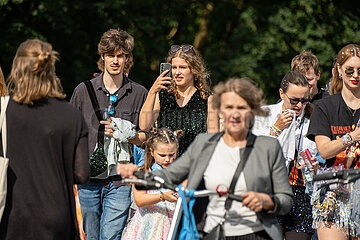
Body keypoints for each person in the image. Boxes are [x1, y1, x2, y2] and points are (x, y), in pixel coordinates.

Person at [119, 77, 293, 239]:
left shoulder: (268, 147)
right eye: (229, 107)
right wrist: (138, 176)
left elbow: (286, 200)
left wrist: (268, 201)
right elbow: (169, 176)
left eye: (241, 107)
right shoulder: (205, 143)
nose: (235, 114)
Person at [0, 39, 90, 239]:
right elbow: (82, 175)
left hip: (11, 216)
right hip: (56, 215)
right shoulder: (72, 115)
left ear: (16, 69)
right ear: (51, 70)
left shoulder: (3, 111)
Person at [70, 28, 148, 239]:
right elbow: (69, 134)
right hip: (87, 179)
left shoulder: (139, 93)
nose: (115, 60)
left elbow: (147, 138)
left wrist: (126, 135)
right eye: (111, 55)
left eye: (120, 56)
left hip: (120, 181)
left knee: (111, 236)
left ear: (126, 59)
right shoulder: (82, 91)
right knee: (92, 235)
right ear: (102, 57)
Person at [252, 72, 318, 240]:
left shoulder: (313, 119)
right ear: (281, 93)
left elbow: (321, 154)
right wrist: (276, 128)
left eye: (304, 100)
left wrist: (317, 163)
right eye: (294, 100)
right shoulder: (263, 114)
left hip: (302, 195)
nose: (299, 105)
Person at [307, 43, 360, 240]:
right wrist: (351, 137)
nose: (355, 75)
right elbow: (325, 151)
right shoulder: (324, 106)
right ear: (339, 70)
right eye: (349, 70)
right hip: (332, 189)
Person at [139, 44, 218, 156]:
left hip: (192, 165)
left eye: (183, 67)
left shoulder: (208, 98)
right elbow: (144, 126)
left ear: (194, 69)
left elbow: (213, 141)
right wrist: (152, 91)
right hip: (165, 165)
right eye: (174, 67)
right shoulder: (163, 94)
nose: (177, 72)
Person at [122, 128, 182, 239]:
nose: (167, 159)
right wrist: (163, 196)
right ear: (152, 152)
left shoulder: (179, 174)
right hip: (147, 226)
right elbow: (139, 200)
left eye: (171, 155)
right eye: (162, 155)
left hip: (171, 226)